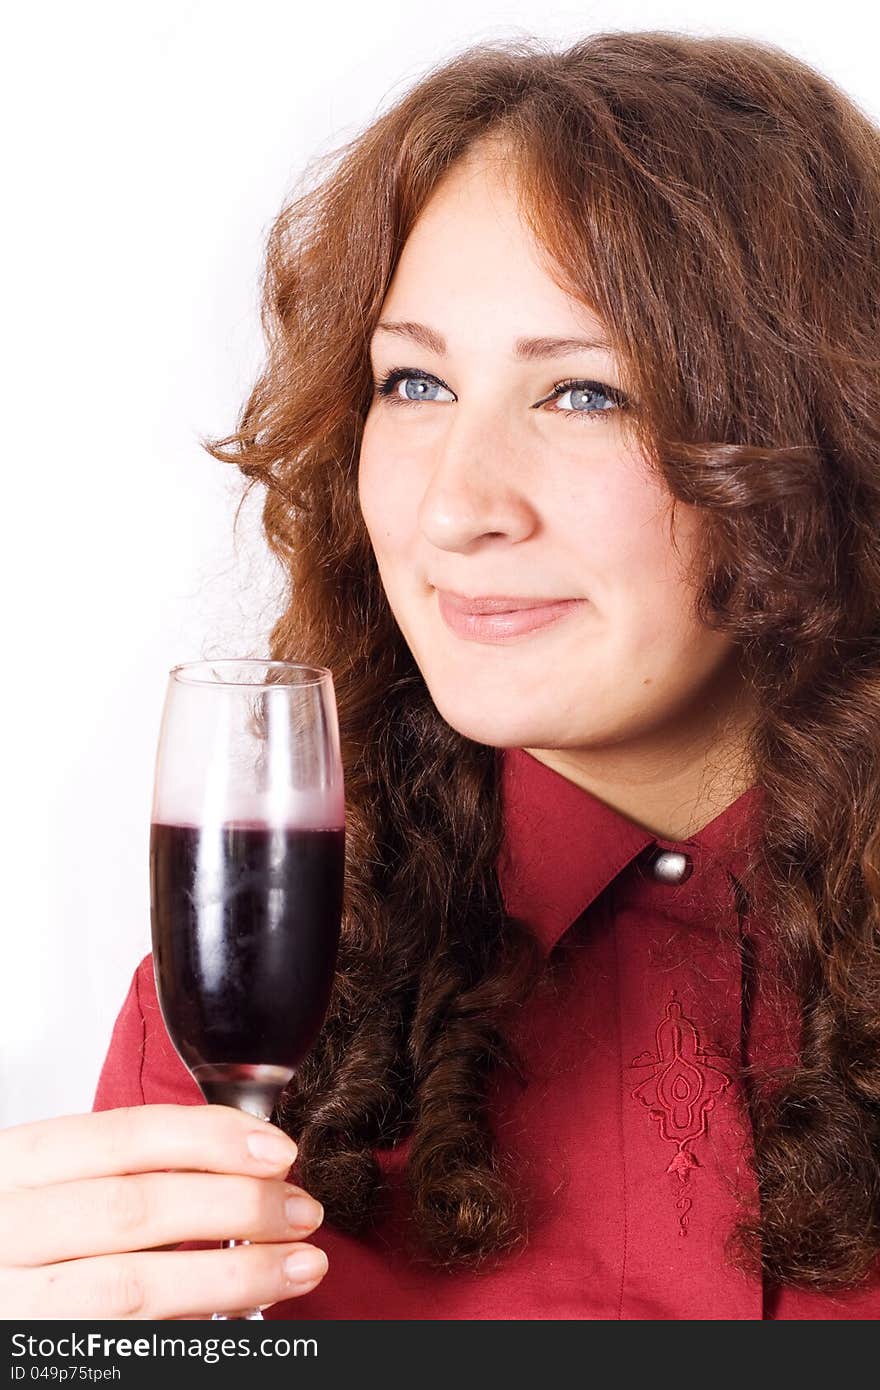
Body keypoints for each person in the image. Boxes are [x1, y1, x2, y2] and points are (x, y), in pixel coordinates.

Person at [3, 28, 880, 1320]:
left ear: (819, 433)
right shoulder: (247, 997)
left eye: (584, 394)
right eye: (413, 382)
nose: (455, 503)